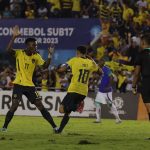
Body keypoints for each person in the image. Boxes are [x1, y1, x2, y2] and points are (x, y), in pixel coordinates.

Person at [1, 25, 57, 132]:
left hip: (30, 85)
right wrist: (14, 37)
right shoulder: (19, 53)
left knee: (40, 105)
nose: (35, 47)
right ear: (28, 45)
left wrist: (50, 55)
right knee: (15, 105)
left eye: (36, 45)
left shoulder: (36, 56)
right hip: (19, 84)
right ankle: (4, 127)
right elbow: (8, 50)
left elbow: (45, 66)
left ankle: (55, 127)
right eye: (34, 45)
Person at [54, 45, 99, 133]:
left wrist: (56, 70)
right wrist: (92, 60)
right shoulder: (90, 62)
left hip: (74, 89)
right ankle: (59, 130)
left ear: (77, 52)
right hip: (83, 92)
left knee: (61, 109)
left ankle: (77, 106)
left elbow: (62, 69)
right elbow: (100, 71)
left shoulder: (74, 60)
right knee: (67, 112)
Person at [94, 59, 122, 124]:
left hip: (107, 91)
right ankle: (98, 119)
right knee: (97, 103)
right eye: (99, 61)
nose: (99, 63)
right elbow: (101, 77)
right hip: (101, 90)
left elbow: (111, 77)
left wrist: (108, 86)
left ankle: (118, 119)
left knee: (110, 105)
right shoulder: (100, 69)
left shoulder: (106, 68)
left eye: (100, 61)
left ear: (103, 62)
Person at [132, 33, 150, 121]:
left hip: (147, 83)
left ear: (143, 42)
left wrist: (133, 86)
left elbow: (136, 73)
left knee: (149, 107)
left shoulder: (141, 54)